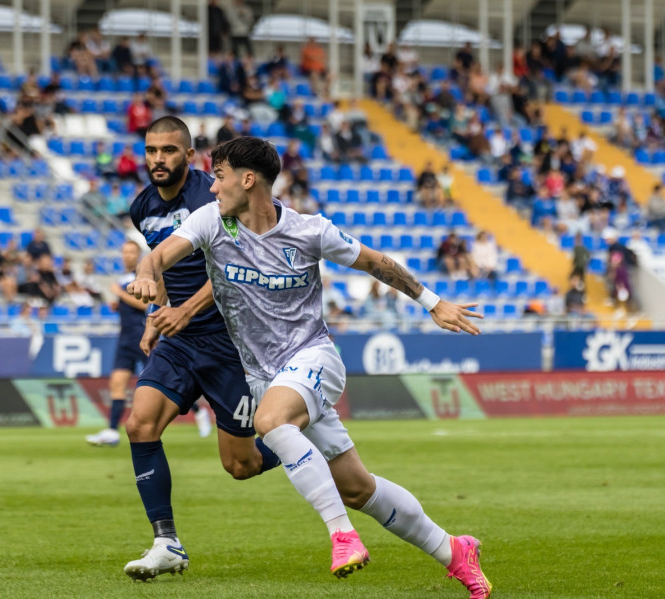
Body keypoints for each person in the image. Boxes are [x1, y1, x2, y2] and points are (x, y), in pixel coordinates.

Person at [128, 136, 491, 596]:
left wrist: (432, 303)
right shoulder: (211, 222)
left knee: (270, 421)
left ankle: (342, 536)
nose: (212, 188)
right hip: (265, 375)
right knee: (359, 489)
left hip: (313, 357)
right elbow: (158, 254)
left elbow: (375, 262)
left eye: (218, 178)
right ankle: (455, 550)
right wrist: (146, 273)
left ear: (247, 179)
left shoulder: (309, 230)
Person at [121, 117, 282, 581]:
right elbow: (161, 264)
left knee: (241, 464)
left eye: (169, 151)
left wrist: (186, 310)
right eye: (151, 150)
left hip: (231, 341)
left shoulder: (214, 197)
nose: (158, 159)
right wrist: (159, 312)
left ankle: (298, 445)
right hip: (180, 338)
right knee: (139, 424)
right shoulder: (142, 207)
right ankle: (166, 542)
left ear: (189, 157)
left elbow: (241, 266)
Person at [86, 240, 215, 447]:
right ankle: (111, 431)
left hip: (141, 335)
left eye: (130, 252)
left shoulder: (142, 277)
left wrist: (120, 295)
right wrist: (117, 304)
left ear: (137, 255)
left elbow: (147, 302)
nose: (126, 255)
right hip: (124, 337)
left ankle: (199, 412)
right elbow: (131, 305)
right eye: (124, 252)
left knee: (165, 379)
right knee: (117, 384)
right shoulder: (123, 279)